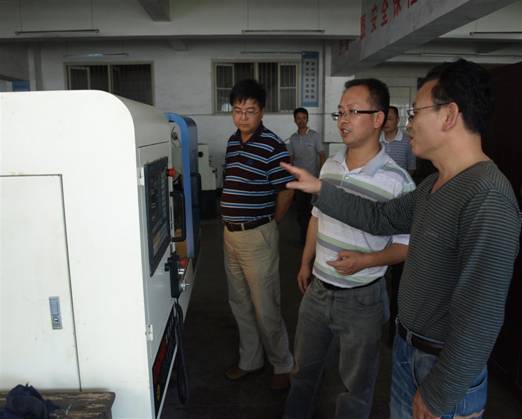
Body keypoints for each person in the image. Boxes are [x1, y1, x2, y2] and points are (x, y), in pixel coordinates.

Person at [281, 59, 521, 418]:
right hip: (410, 351)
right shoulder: (434, 184)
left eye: (415, 112)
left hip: (440, 366)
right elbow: (379, 217)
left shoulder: (487, 196)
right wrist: (320, 188)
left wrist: (442, 391)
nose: (408, 125)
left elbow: (482, 313)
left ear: (449, 115)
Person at [283, 79, 415, 419]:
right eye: (340, 112)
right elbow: (316, 217)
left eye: (353, 111)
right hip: (317, 292)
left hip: (362, 299)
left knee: (355, 387)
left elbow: (405, 247)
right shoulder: (330, 166)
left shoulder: (398, 181)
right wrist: (305, 262)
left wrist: (367, 260)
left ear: (378, 118)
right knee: (302, 372)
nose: (343, 120)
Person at [221, 79, 295, 390]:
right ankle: (250, 360)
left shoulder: (273, 145)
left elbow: (286, 190)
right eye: (237, 110)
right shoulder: (232, 141)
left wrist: (271, 222)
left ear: (261, 112)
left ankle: (282, 364)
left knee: (265, 305)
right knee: (239, 302)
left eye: (250, 111)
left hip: (257, 235)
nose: (243, 117)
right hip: (230, 235)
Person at [287, 107, 326, 243]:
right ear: (295, 120)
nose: (301, 121)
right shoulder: (293, 138)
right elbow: (291, 159)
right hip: (298, 181)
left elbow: (322, 155)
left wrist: (321, 175)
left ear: (307, 119)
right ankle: (303, 237)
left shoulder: (314, 136)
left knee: (311, 210)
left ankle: (310, 238)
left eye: (304, 118)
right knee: (300, 210)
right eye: (298, 118)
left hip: (312, 180)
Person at [380, 106, 416, 175]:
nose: (385, 122)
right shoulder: (375, 140)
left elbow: (411, 167)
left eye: (389, 119)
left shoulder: (408, 141)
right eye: (384, 119)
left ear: (397, 120)